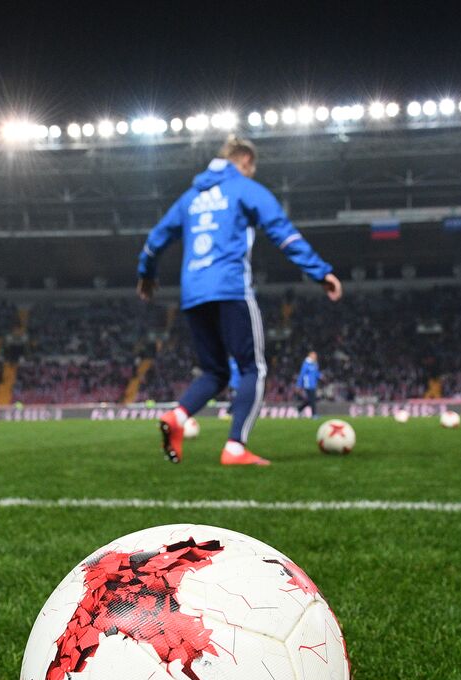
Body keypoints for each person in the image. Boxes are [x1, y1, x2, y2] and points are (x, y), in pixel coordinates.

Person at [137, 135, 342, 466]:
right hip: (230, 287)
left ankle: (178, 415)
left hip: (193, 293)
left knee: (214, 372)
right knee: (253, 367)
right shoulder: (243, 189)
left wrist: (146, 274)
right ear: (245, 159)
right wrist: (321, 272)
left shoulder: (189, 198)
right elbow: (282, 231)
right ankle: (235, 446)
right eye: (252, 168)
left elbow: (154, 240)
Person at [296, 351, 321, 417]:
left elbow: (316, 373)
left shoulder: (315, 364)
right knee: (312, 400)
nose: (315, 357)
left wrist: (320, 376)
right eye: (314, 355)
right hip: (308, 384)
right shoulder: (306, 364)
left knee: (311, 400)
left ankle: (299, 408)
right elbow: (302, 374)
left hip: (313, 384)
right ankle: (314, 414)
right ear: (310, 356)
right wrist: (299, 385)